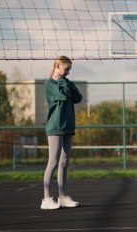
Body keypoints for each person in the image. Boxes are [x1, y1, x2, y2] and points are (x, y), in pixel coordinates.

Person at [41, 56, 83, 210]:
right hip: (55, 127)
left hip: (68, 127)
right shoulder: (49, 84)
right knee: (53, 162)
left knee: (64, 162)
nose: (68, 73)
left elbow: (78, 98)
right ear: (57, 66)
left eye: (69, 70)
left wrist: (67, 82)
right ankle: (46, 199)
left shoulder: (66, 82)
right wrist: (63, 82)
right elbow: (63, 96)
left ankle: (63, 196)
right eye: (66, 69)